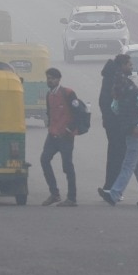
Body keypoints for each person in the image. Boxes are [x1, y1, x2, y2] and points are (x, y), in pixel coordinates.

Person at [98, 75, 138, 207]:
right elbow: (115, 110)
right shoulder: (122, 95)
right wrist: (115, 99)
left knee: (128, 165)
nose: (115, 89)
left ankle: (114, 194)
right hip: (129, 134)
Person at [39, 68, 79, 207]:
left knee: (67, 166)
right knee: (44, 160)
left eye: (52, 78)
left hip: (66, 136)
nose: (50, 81)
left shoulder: (68, 93)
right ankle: (54, 194)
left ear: (59, 79)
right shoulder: (49, 95)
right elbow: (50, 114)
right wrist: (51, 128)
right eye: (48, 78)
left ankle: (72, 198)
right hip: (53, 135)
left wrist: (69, 129)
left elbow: (78, 113)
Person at [98, 54, 132, 193]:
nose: (132, 67)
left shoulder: (111, 77)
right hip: (116, 124)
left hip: (111, 123)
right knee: (120, 157)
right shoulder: (117, 80)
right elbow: (111, 102)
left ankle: (110, 186)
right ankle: (114, 189)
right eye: (129, 64)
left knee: (114, 155)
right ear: (122, 65)